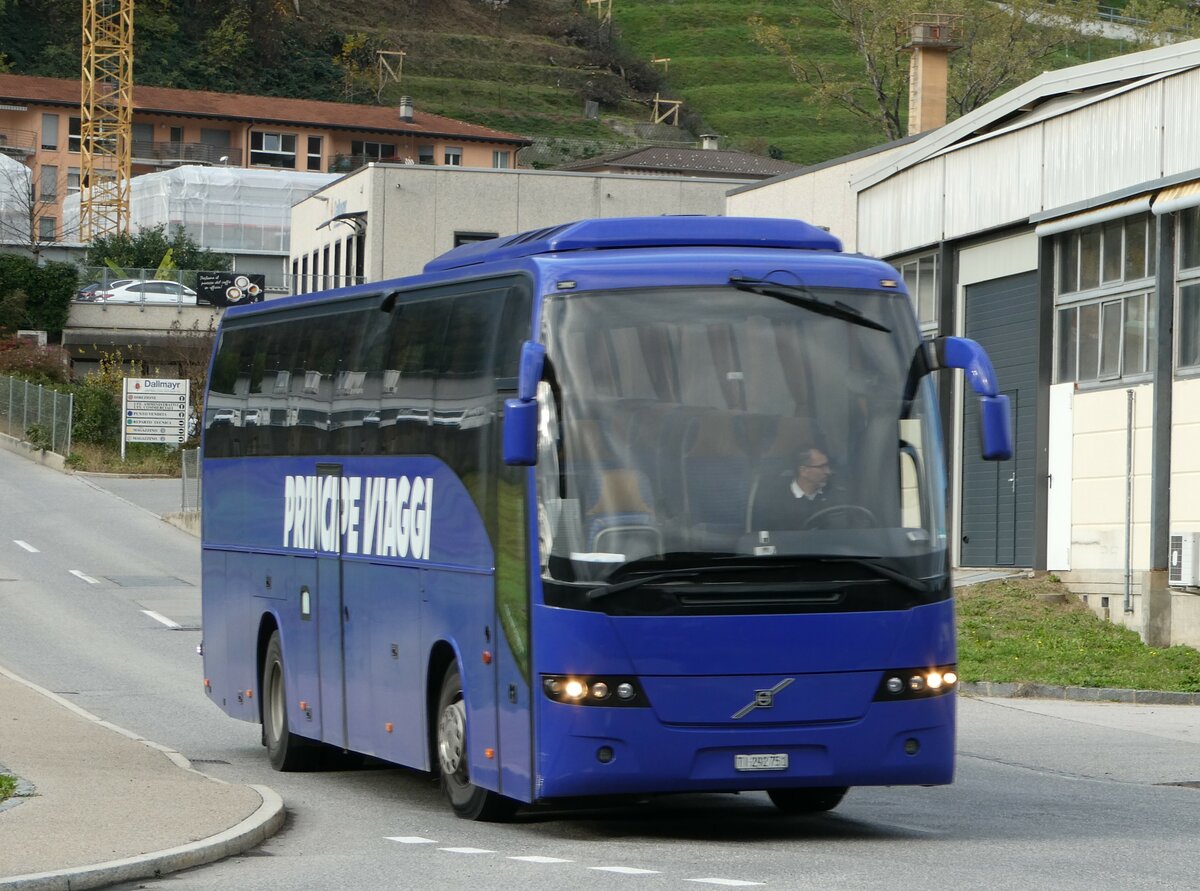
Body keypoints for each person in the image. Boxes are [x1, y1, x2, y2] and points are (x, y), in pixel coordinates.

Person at [751, 444, 840, 531]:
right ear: (804, 471)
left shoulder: (836, 495)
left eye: (827, 466)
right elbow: (766, 536)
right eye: (822, 467)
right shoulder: (775, 500)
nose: (828, 472)